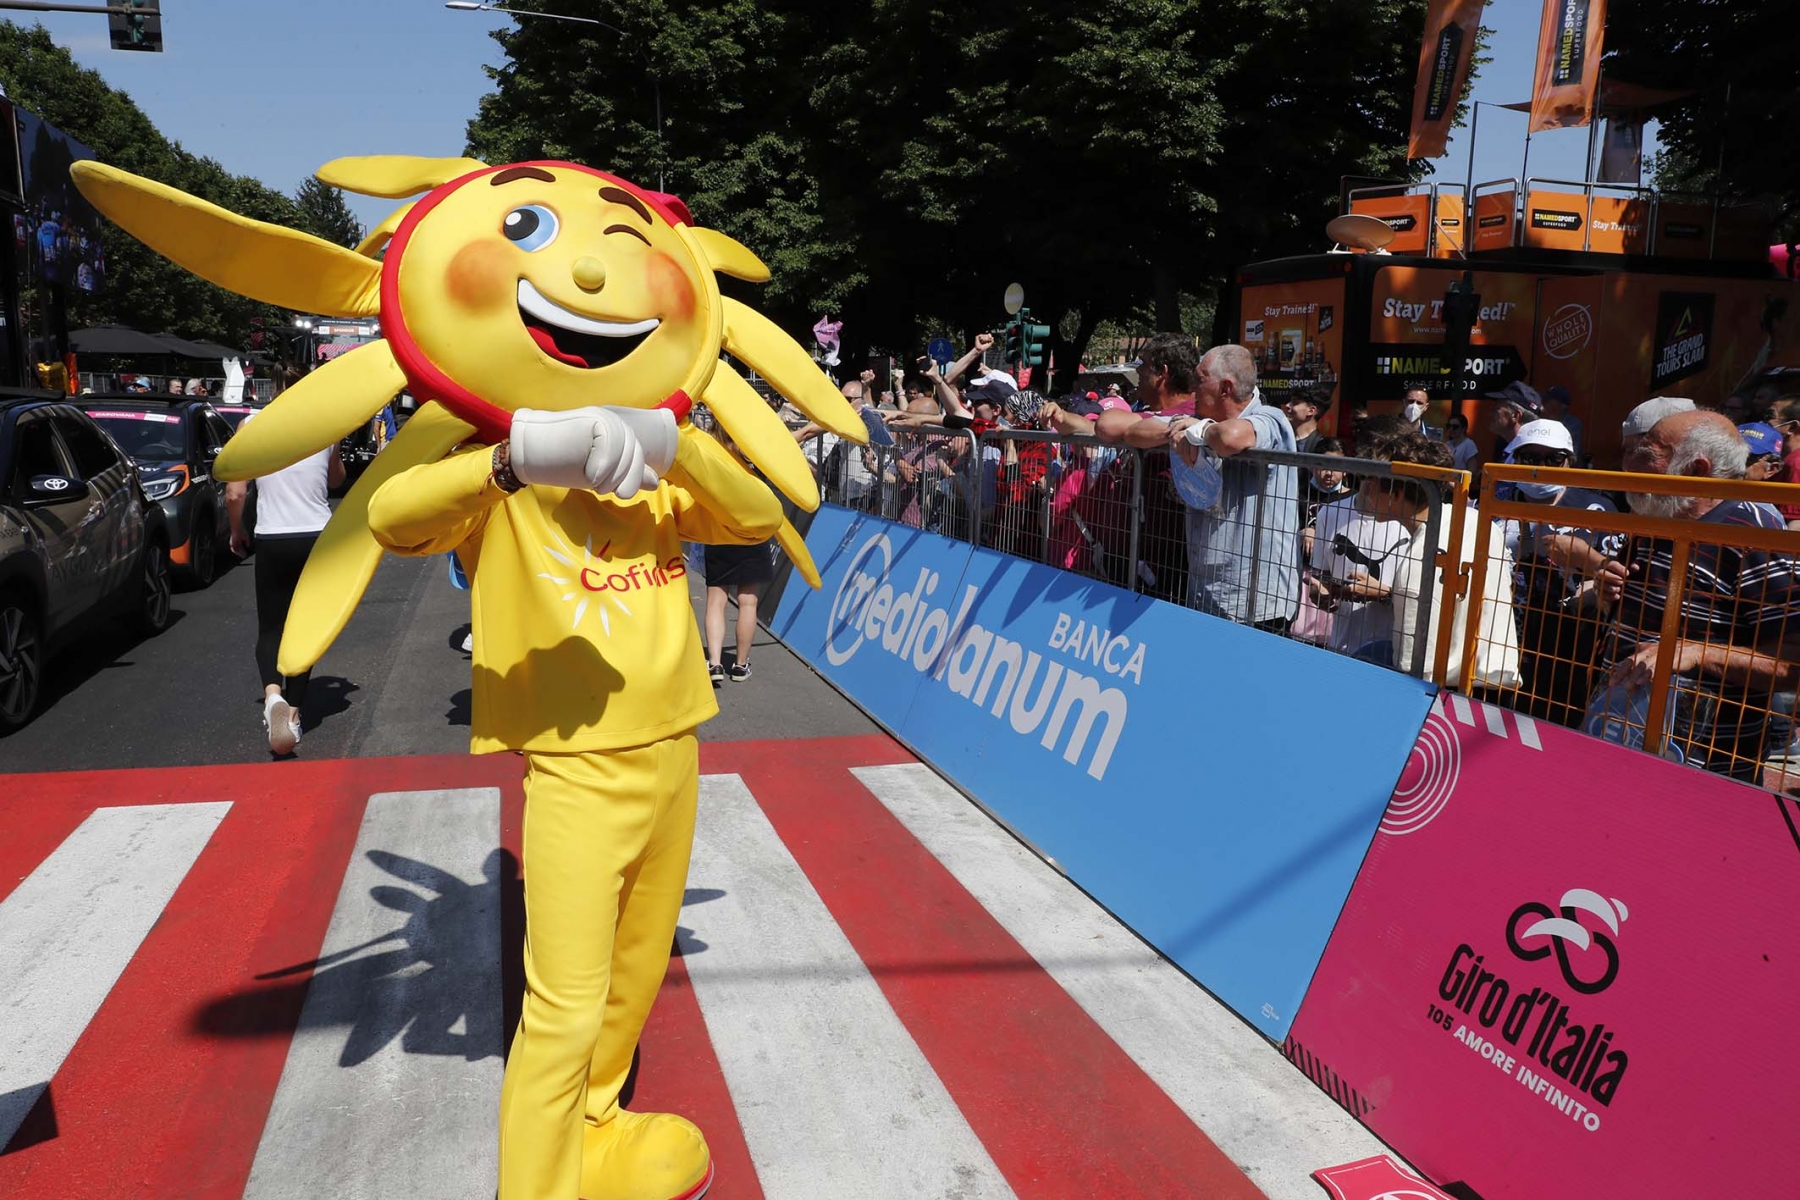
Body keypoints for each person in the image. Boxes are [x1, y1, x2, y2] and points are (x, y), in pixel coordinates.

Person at [1598, 410, 1799, 781]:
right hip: (1622, 737)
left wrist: (1695, 653)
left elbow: (1792, 663)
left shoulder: (1751, 532)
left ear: (1696, 468)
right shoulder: (1658, 514)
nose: (1628, 466)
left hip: (1706, 769)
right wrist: (1609, 589)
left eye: (1646, 454)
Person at [225, 413, 346, 755]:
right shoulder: (328, 423)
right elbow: (336, 479)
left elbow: (235, 492)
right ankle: (293, 712)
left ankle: (272, 696)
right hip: (318, 537)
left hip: (273, 536)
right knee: (306, 626)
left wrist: (237, 530)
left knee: (271, 627)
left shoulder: (251, 425)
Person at [1163, 343, 1302, 630]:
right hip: (1207, 595)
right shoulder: (1199, 421)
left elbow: (1231, 438)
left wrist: (1197, 431)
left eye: (1200, 379)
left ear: (1225, 387)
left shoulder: (1270, 418)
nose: (1192, 388)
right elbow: (1114, 428)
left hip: (1256, 605)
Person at [1372, 435, 1524, 688]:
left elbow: (1413, 667)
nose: (1364, 487)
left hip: (1446, 697)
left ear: (1395, 495)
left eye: (1370, 480)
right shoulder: (1475, 520)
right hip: (1496, 679)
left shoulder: (1418, 562)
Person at [1505, 420, 1622, 727]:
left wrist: (1591, 576)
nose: (1541, 466)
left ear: (1569, 461)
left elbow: (1620, 580)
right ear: (1515, 459)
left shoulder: (1597, 509)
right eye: (1530, 457)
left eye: (1553, 458)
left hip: (1573, 650)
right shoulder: (1493, 502)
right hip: (1504, 640)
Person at [702, 428, 774, 684]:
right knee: (748, 603)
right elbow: (802, 436)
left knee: (715, 601)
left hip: (721, 531)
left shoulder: (712, 452)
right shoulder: (761, 453)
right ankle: (741, 665)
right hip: (755, 531)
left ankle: (715, 662)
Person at [1771, 396, 1800, 530]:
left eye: (1770, 416)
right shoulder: (1788, 460)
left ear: (1792, 426)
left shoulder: (1796, 464)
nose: (1764, 422)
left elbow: (1795, 524)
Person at [1284, 386, 1332, 454]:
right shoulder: (1281, 439)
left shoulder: (1324, 448)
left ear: (1311, 411)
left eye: (1295, 403)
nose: (1287, 405)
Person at [1542, 385, 1585, 461]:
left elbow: (1571, 455)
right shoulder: (1538, 418)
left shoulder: (1573, 425)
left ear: (1556, 408)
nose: (1542, 406)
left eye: (1546, 402)